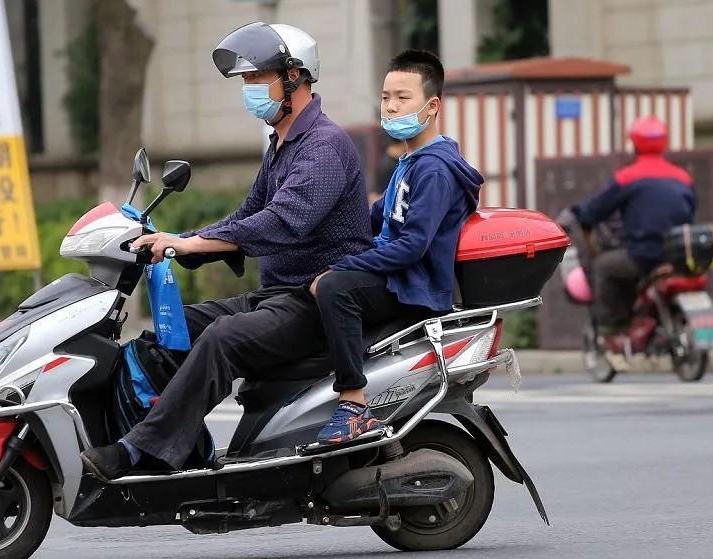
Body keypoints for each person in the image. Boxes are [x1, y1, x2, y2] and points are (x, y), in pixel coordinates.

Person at [81, 22, 371, 480]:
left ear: (294, 77)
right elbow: (244, 217)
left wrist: (190, 243)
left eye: (258, 79)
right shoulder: (282, 144)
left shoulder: (325, 146)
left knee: (222, 338)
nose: (250, 91)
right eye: (246, 82)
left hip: (316, 303)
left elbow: (279, 223)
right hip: (277, 295)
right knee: (167, 333)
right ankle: (174, 444)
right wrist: (174, 244)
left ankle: (142, 452)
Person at [310, 50, 483, 445]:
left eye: (403, 98)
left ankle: (353, 405)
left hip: (415, 287)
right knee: (323, 275)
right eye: (386, 97)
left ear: (431, 105)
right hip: (397, 277)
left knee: (337, 288)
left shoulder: (435, 168)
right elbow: (375, 220)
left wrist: (342, 267)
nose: (390, 106)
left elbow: (411, 246)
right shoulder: (410, 160)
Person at [571, 116, 695, 362]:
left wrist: (579, 214)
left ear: (635, 144)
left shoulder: (628, 178)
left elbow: (596, 209)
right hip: (679, 257)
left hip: (644, 256)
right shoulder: (683, 178)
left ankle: (612, 330)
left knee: (603, 266)